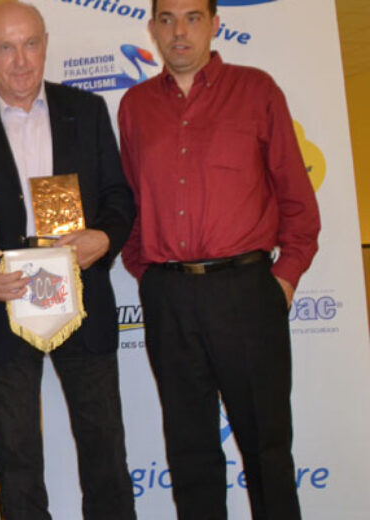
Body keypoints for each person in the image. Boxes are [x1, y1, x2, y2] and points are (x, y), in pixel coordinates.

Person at [118, 0, 320, 517]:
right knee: (189, 453)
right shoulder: (136, 106)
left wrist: (283, 280)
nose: (179, 32)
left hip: (245, 293)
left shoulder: (257, 91)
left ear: (214, 24)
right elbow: (133, 200)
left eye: (193, 18)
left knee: (266, 448)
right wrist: (149, 275)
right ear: (152, 28)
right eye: (167, 19)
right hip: (169, 296)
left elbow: (297, 200)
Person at [0, 2, 136, 518]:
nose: (20, 60)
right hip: (4, 305)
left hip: (83, 296)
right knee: (16, 457)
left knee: (105, 449)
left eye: (30, 44)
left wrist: (104, 239)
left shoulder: (87, 110)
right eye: (5, 47)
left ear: (45, 44)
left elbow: (118, 197)